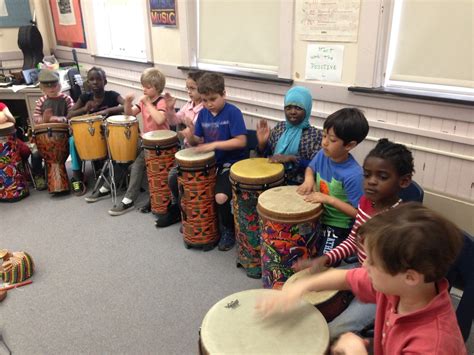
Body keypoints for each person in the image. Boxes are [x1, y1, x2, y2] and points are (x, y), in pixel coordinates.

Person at [256, 203, 467, 355]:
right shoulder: (398, 287)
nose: (364, 265)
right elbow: (346, 277)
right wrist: (301, 287)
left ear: (410, 277)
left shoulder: (433, 345)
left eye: (373, 263)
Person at [295, 138, 414, 338]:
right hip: (359, 269)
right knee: (304, 292)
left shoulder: (400, 223)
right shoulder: (366, 202)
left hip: (382, 288)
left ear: (403, 181)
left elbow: (396, 277)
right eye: (367, 175)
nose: (371, 181)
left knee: (331, 332)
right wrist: (326, 259)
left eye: (382, 176)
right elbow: (353, 241)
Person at [85, 68, 168, 216]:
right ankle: (107, 187)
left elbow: (160, 119)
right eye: (143, 86)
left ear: (158, 87)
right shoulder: (144, 103)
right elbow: (129, 114)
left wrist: (148, 104)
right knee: (122, 153)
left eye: (148, 87)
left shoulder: (161, 102)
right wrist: (128, 103)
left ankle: (129, 200)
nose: (144, 90)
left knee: (136, 165)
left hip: (159, 144)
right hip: (145, 140)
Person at [183, 72, 247, 251]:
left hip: (232, 163)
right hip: (212, 163)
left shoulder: (233, 112)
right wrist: (191, 134)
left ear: (224, 94)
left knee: (220, 197)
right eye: (204, 100)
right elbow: (197, 139)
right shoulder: (203, 114)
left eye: (213, 99)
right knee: (178, 180)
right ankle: (198, 222)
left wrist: (214, 145)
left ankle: (228, 229)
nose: (209, 104)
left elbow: (241, 141)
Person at [297, 108, 369, 256]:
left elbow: (359, 214)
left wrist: (329, 199)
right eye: (324, 136)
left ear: (349, 145)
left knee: (324, 260)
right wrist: (309, 179)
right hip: (319, 214)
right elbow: (311, 168)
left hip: (339, 225)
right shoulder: (323, 155)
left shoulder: (354, 175)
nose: (324, 143)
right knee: (294, 243)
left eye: (332, 140)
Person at [152, 70, 205, 226]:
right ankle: (178, 207)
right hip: (188, 152)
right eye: (187, 88)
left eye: (192, 88)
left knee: (178, 179)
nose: (189, 92)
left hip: (201, 153)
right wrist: (169, 110)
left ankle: (182, 209)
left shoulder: (205, 109)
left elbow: (198, 136)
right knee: (172, 177)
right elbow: (175, 120)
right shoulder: (189, 105)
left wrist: (185, 133)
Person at [67, 67, 125, 196]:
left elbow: (127, 105)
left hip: (108, 135)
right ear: (88, 82)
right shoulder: (85, 97)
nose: (95, 82)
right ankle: (77, 176)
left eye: (98, 79)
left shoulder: (112, 95)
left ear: (105, 81)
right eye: (91, 79)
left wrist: (108, 111)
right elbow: (69, 114)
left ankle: (114, 171)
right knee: (72, 140)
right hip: (88, 136)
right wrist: (84, 109)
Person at [256, 86, 322, 185]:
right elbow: (268, 158)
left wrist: (292, 158)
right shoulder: (280, 127)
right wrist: (262, 144)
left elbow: (318, 166)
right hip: (273, 180)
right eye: (288, 107)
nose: (292, 112)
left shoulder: (314, 135)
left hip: (299, 185)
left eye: (298, 108)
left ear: (307, 109)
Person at [32, 69, 74, 190]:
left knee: (76, 147)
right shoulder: (41, 101)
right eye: (47, 86)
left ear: (59, 85)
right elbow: (36, 118)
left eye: (54, 85)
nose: (51, 88)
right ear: (42, 88)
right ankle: (38, 176)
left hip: (64, 134)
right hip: (44, 137)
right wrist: (45, 119)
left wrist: (63, 119)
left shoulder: (67, 99)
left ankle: (78, 174)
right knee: (35, 153)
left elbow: (72, 114)